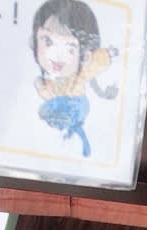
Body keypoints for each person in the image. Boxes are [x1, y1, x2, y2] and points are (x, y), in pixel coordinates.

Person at [31, 0, 118, 157]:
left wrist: (108, 54)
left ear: (85, 55)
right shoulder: (53, 83)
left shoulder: (81, 73)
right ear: (34, 41)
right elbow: (48, 92)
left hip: (75, 105)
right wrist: (41, 87)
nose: (57, 55)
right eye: (48, 41)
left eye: (70, 48)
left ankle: (75, 140)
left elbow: (97, 63)